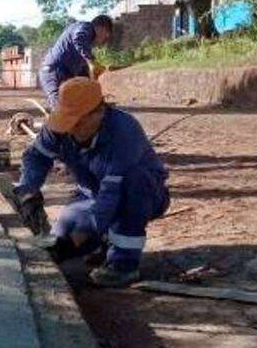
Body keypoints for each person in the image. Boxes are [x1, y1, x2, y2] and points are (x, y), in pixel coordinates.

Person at [13, 78, 169, 287]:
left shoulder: (124, 132)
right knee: (63, 238)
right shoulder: (60, 126)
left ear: (99, 112)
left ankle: (123, 265)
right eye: (67, 121)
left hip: (143, 193)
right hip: (90, 194)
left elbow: (110, 195)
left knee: (130, 186)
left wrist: (89, 231)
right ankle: (102, 242)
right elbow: (35, 157)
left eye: (78, 122)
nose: (71, 129)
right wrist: (28, 188)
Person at [39, 15, 114, 108]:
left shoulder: (85, 43)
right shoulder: (85, 28)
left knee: (75, 103)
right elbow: (78, 39)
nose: (103, 40)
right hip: (54, 70)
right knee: (60, 106)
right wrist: (92, 60)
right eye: (106, 35)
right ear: (101, 28)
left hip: (64, 71)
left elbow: (84, 72)